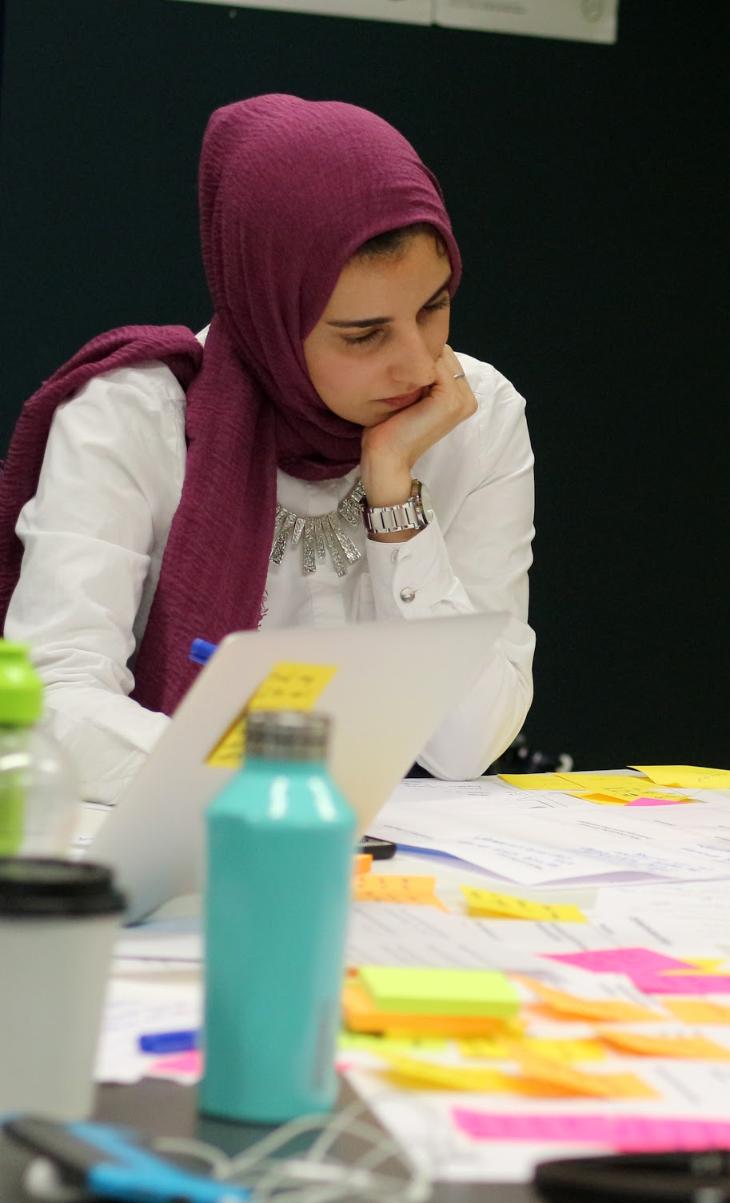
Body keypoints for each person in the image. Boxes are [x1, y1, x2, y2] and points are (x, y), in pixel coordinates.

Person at [0, 94, 535, 802]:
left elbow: (468, 742)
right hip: (171, 844)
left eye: (433, 306)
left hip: (386, 864)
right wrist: (265, 783)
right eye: (364, 334)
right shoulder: (134, 416)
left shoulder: (474, 411)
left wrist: (394, 494)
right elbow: (50, 702)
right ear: (269, 311)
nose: (417, 363)